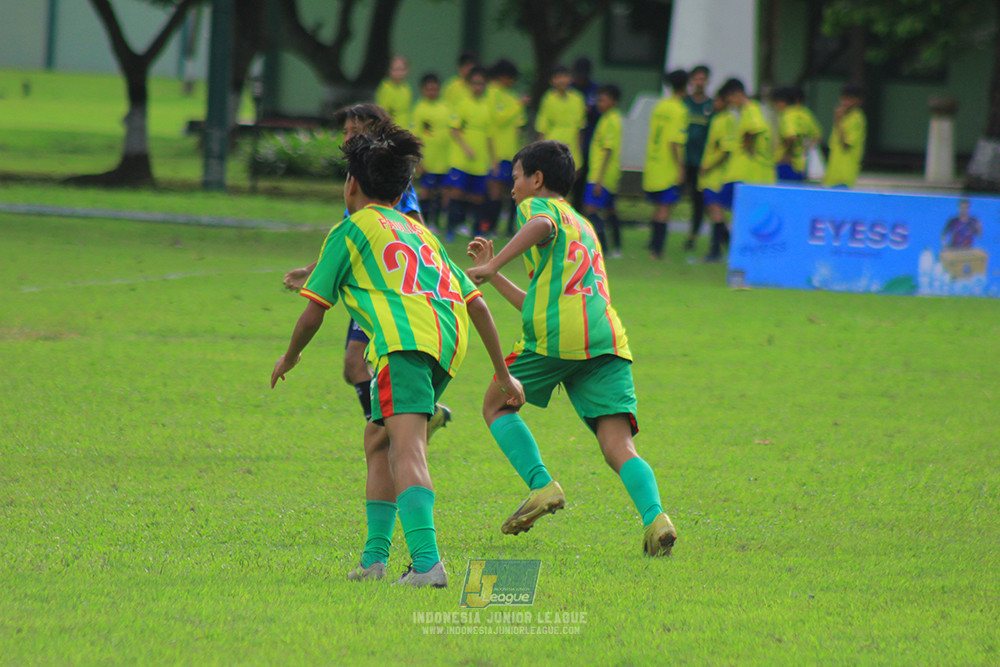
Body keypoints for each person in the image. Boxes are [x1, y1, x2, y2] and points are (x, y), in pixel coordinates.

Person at [271, 121, 525, 588]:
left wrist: (289, 357)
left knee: (406, 449)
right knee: (378, 440)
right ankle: (374, 561)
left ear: (351, 185)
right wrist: (501, 373)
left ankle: (428, 564)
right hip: (449, 343)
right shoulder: (419, 231)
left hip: (404, 345)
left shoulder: (350, 230)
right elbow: (479, 303)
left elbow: (312, 313)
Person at [465, 140, 677, 558]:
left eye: (516, 178)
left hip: (559, 336)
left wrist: (495, 263)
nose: (512, 189)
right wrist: (494, 278)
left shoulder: (538, 210)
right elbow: (540, 300)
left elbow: (540, 225)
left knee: (496, 405)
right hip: (606, 337)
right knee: (618, 445)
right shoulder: (582, 224)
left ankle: (541, 484)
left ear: (537, 180)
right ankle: (656, 519)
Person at [282, 104, 450, 435]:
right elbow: (351, 244)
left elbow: (414, 235)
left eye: (353, 132)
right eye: (344, 131)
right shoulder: (361, 183)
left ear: (372, 131)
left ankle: (396, 427)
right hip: (370, 290)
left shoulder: (389, 184)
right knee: (354, 368)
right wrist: (310, 270)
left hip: (389, 291)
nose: (345, 137)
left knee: (356, 363)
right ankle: (405, 422)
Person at [642, 69, 689, 260]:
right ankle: (657, 251)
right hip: (668, 166)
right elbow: (674, 142)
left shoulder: (660, 106)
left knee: (657, 208)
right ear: (685, 86)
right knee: (664, 208)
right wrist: (680, 168)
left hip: (653, 163)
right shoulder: (680, 110)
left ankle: (652, 245)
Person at [444, 66, 494, 242]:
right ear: (469, 85)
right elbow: (455, 130)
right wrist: (466, 148)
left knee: (478, 197)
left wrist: (493, 159)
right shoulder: (463, 104)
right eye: (474, 83)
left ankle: (475, 231)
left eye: (481, 83)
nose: (478, 87)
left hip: (480, 161)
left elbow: (489, 136)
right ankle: (450, 228)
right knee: (456, 193)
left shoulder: (487, 107)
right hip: (462, 159)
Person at [483, 59, 526, 237]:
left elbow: (519, 123)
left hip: (511, 151)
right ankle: (489, 226)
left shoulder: (512, 95)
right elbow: (498, 118)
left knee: (510, 192)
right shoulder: (493, 93)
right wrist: (518, 105)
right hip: (497, 151)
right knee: (495, 190)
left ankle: (507, 228)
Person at [583, 84, 624, 257]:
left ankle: (603, 248)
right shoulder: (607, 118)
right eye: (598, 99)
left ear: (613, 101)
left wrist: (599, 179)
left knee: (590, 209)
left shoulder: (612, 120)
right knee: (609, 210)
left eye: (603, 99)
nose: (599, 103)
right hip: (605, 174)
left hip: (601, 176)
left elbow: (608, 150)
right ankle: (616, 246)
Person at [698, 93, 737, 262]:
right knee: (712, 210)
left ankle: (715, 251)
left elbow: (725, 149)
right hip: (710, 174)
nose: (715, 103)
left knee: (715, 210)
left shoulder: (727, 120)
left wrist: (709, 166)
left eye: (718, 100)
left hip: (717, 175)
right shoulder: (717, 119)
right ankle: (729, 247)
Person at [412, 73, 452, 231]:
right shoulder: (419, 109)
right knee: (426, 193)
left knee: (442, 193)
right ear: (423, 90)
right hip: (428, 159)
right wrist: (419, 160)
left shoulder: (445, 108)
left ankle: (436, 222)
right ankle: (423, 223)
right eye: (429, 89)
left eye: (435, 89)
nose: (432, 92)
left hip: (444, 160)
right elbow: (415, 137)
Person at [683, 65, 713, 251]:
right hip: (682, 160)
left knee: (700, 199)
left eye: (703, 79)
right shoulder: (684, 103)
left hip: (702, 162)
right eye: (697, 78)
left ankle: (693, 235)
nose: (699, 82)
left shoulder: (711, 105)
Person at [535, 65, 587, 171]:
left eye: (564, 76)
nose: (561, 80)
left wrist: (579, 155)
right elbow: (542, 129)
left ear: (570, 78)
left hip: (572, 149)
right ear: (552, 80)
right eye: (557, 77)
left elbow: (580, 129)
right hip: (552, 148)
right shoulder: (548, 99)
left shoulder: (578, 99)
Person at [772, 85, 821, 182]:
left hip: (785, 163)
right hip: (800, 165)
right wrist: (804, 150)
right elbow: (817, 136)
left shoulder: (788, 115)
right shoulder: (805, 114)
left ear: (782, 102)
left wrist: (787, 155)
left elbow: (791, 136)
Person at [571, 56, 601, 209]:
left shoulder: (595, 90)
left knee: (583, 178)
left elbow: (600, 112)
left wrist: (590, 111)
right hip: (571, 139)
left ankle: (579, 209)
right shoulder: (569, 90)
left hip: (589, 139)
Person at [823, 83, 866, 188]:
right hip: (833, 174)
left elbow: (846, 144)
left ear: (859, 101)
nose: (846, 101)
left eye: (851, 98)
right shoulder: (844, 116)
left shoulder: (857, 118)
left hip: (845, 174)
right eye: (844, 97)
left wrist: (838, 122)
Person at [374, 55, 413, 129]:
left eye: (402, 69)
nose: (399, 72)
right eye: (396, 69)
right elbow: (384, 114)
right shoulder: (385, 88)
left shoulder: (406, 88)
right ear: (389, 70)